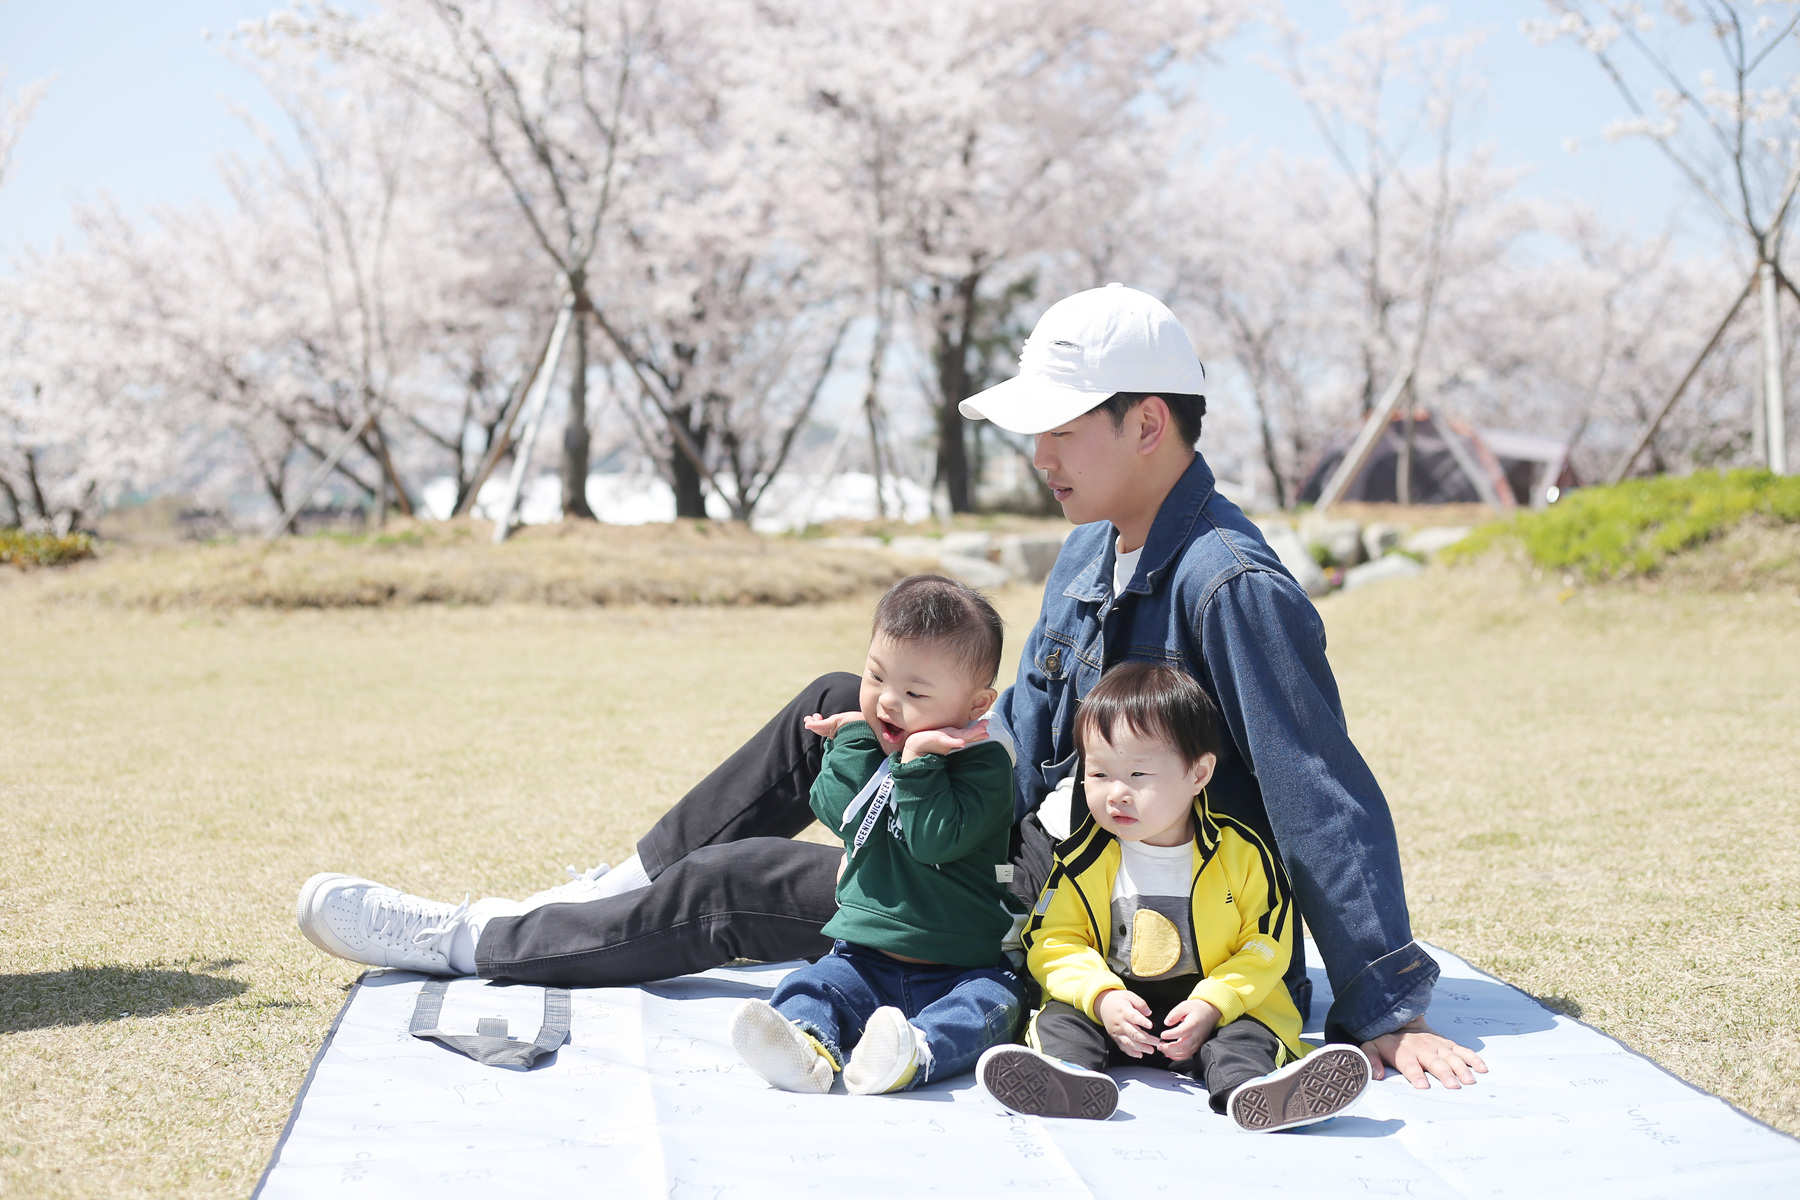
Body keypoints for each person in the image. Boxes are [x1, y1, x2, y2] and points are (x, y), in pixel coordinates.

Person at [295, 283, 1485, 1090]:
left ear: (1149, 425)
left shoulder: (1231, 585)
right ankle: (611, 888)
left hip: (1079, 897)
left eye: (1061, 430)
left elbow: (1319, 791)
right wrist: (936, 737)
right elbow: (1028, 727)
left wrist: (1388, 1008)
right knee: (842, 699)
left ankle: (475, 939)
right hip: (1011, 829)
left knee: (735, 886)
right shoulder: (1091, 547)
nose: (1039, 457)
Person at [976, 661, 1370, 1130]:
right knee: (1061, 1019)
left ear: (1198, 773)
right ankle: (1066, 1078)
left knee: (1247, 1035)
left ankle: (1254, 1091)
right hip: (1117, 1012)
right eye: (1098, 774)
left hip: (1214, 1011)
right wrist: (1100, 997)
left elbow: (1266, 944)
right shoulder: (1080, 858)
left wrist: (1214, 1003)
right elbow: (1054, 940)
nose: (1116, 794)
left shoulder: (1242, 855)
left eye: (1138, 774)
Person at [727, 574, 1026, 1096]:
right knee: (810, 983)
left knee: (994, 1003)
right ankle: (804, 1044)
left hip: (958, 968)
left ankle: (913, 1051)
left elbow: (934, 841)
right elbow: (836, 811)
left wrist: (918, 764)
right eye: (876, 677)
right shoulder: (876, 741)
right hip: (862, 960)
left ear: (978, 705)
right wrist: (852, 740)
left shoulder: (985, 765)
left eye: (914, 692)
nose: (887, 701)